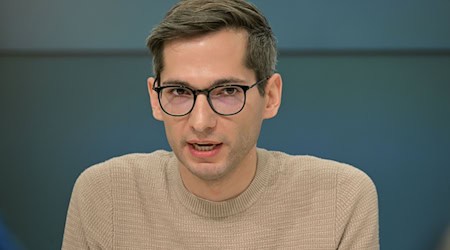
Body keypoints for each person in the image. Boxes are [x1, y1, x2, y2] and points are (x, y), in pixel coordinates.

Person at [62, 0, 379, 249]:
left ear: (270, 96)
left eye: (228, 91)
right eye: (179, 92)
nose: (201, 123)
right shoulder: (105, 196)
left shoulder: (341, 197)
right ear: (155, 98)